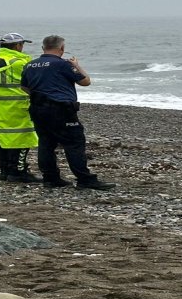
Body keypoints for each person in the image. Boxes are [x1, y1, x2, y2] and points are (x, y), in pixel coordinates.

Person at [20, 35, 115, 190]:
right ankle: (84, 179)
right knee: (74, 142)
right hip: (60, 108)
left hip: (38, 108)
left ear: (43, 48)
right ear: (62, 48)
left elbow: (24, 87)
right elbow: (85, 81)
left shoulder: (30, 65)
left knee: (46, 143)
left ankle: (50, 178)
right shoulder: (62, 64)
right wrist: (76, 66)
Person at [0, 32, 40, 183]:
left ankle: (5, 171)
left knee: (2, 139)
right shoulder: (19, 63)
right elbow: (34, 84)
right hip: (18, 107)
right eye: (22, 45)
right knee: (23, 139)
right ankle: (19, 172)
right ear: (18, 46)